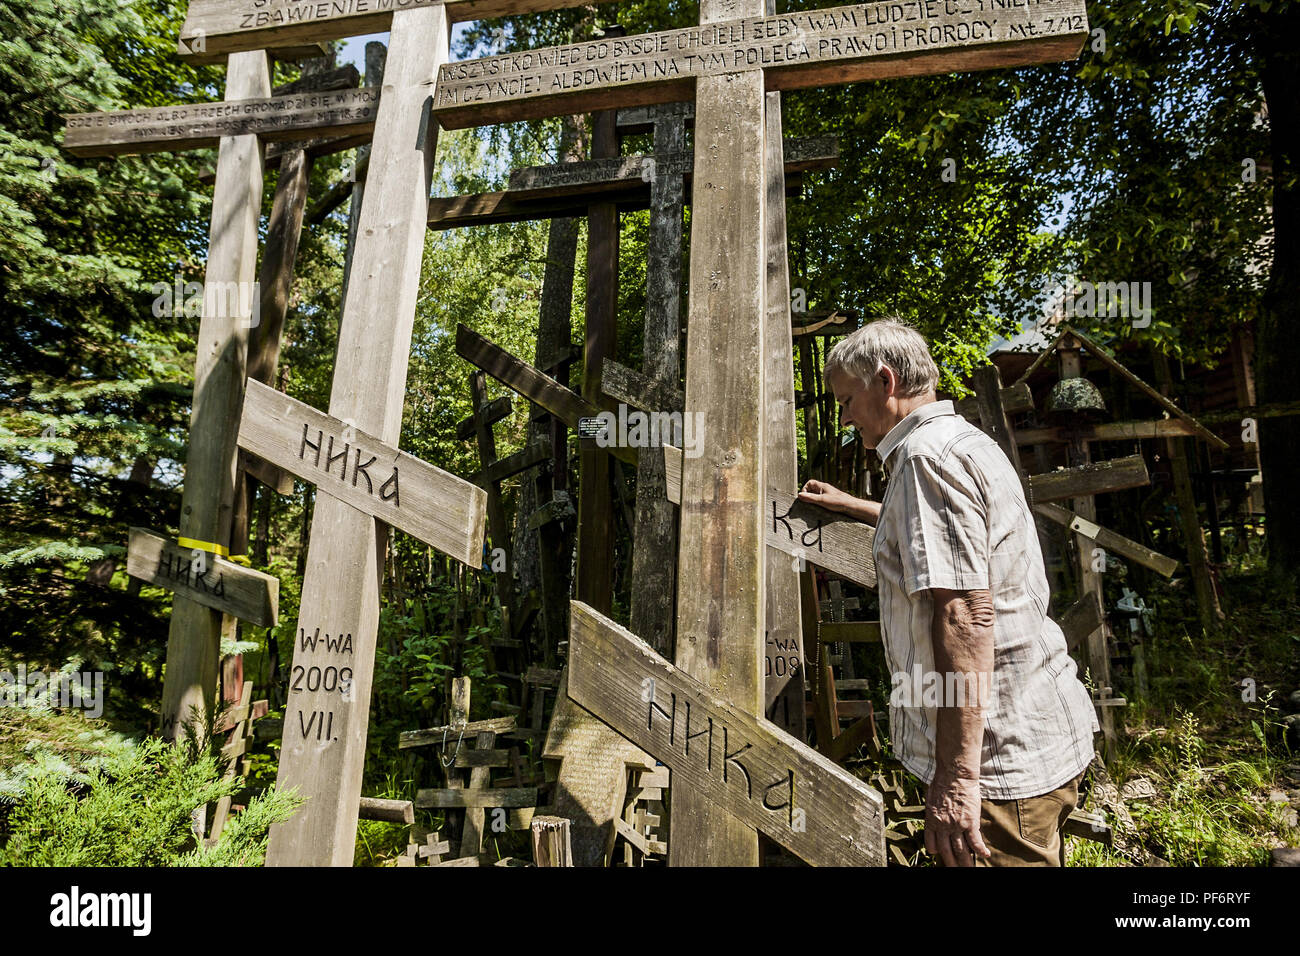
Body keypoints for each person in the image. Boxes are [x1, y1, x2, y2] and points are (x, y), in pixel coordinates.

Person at [798, 319, 1098, 867]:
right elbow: (949, 537)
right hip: (1035, 729)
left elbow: (965, 613)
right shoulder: (961, 441)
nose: (843, 417)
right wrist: (854, 505)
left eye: (846, 400)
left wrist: (959, 780)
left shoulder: (923, 460)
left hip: (994, 768)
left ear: (884, 382)